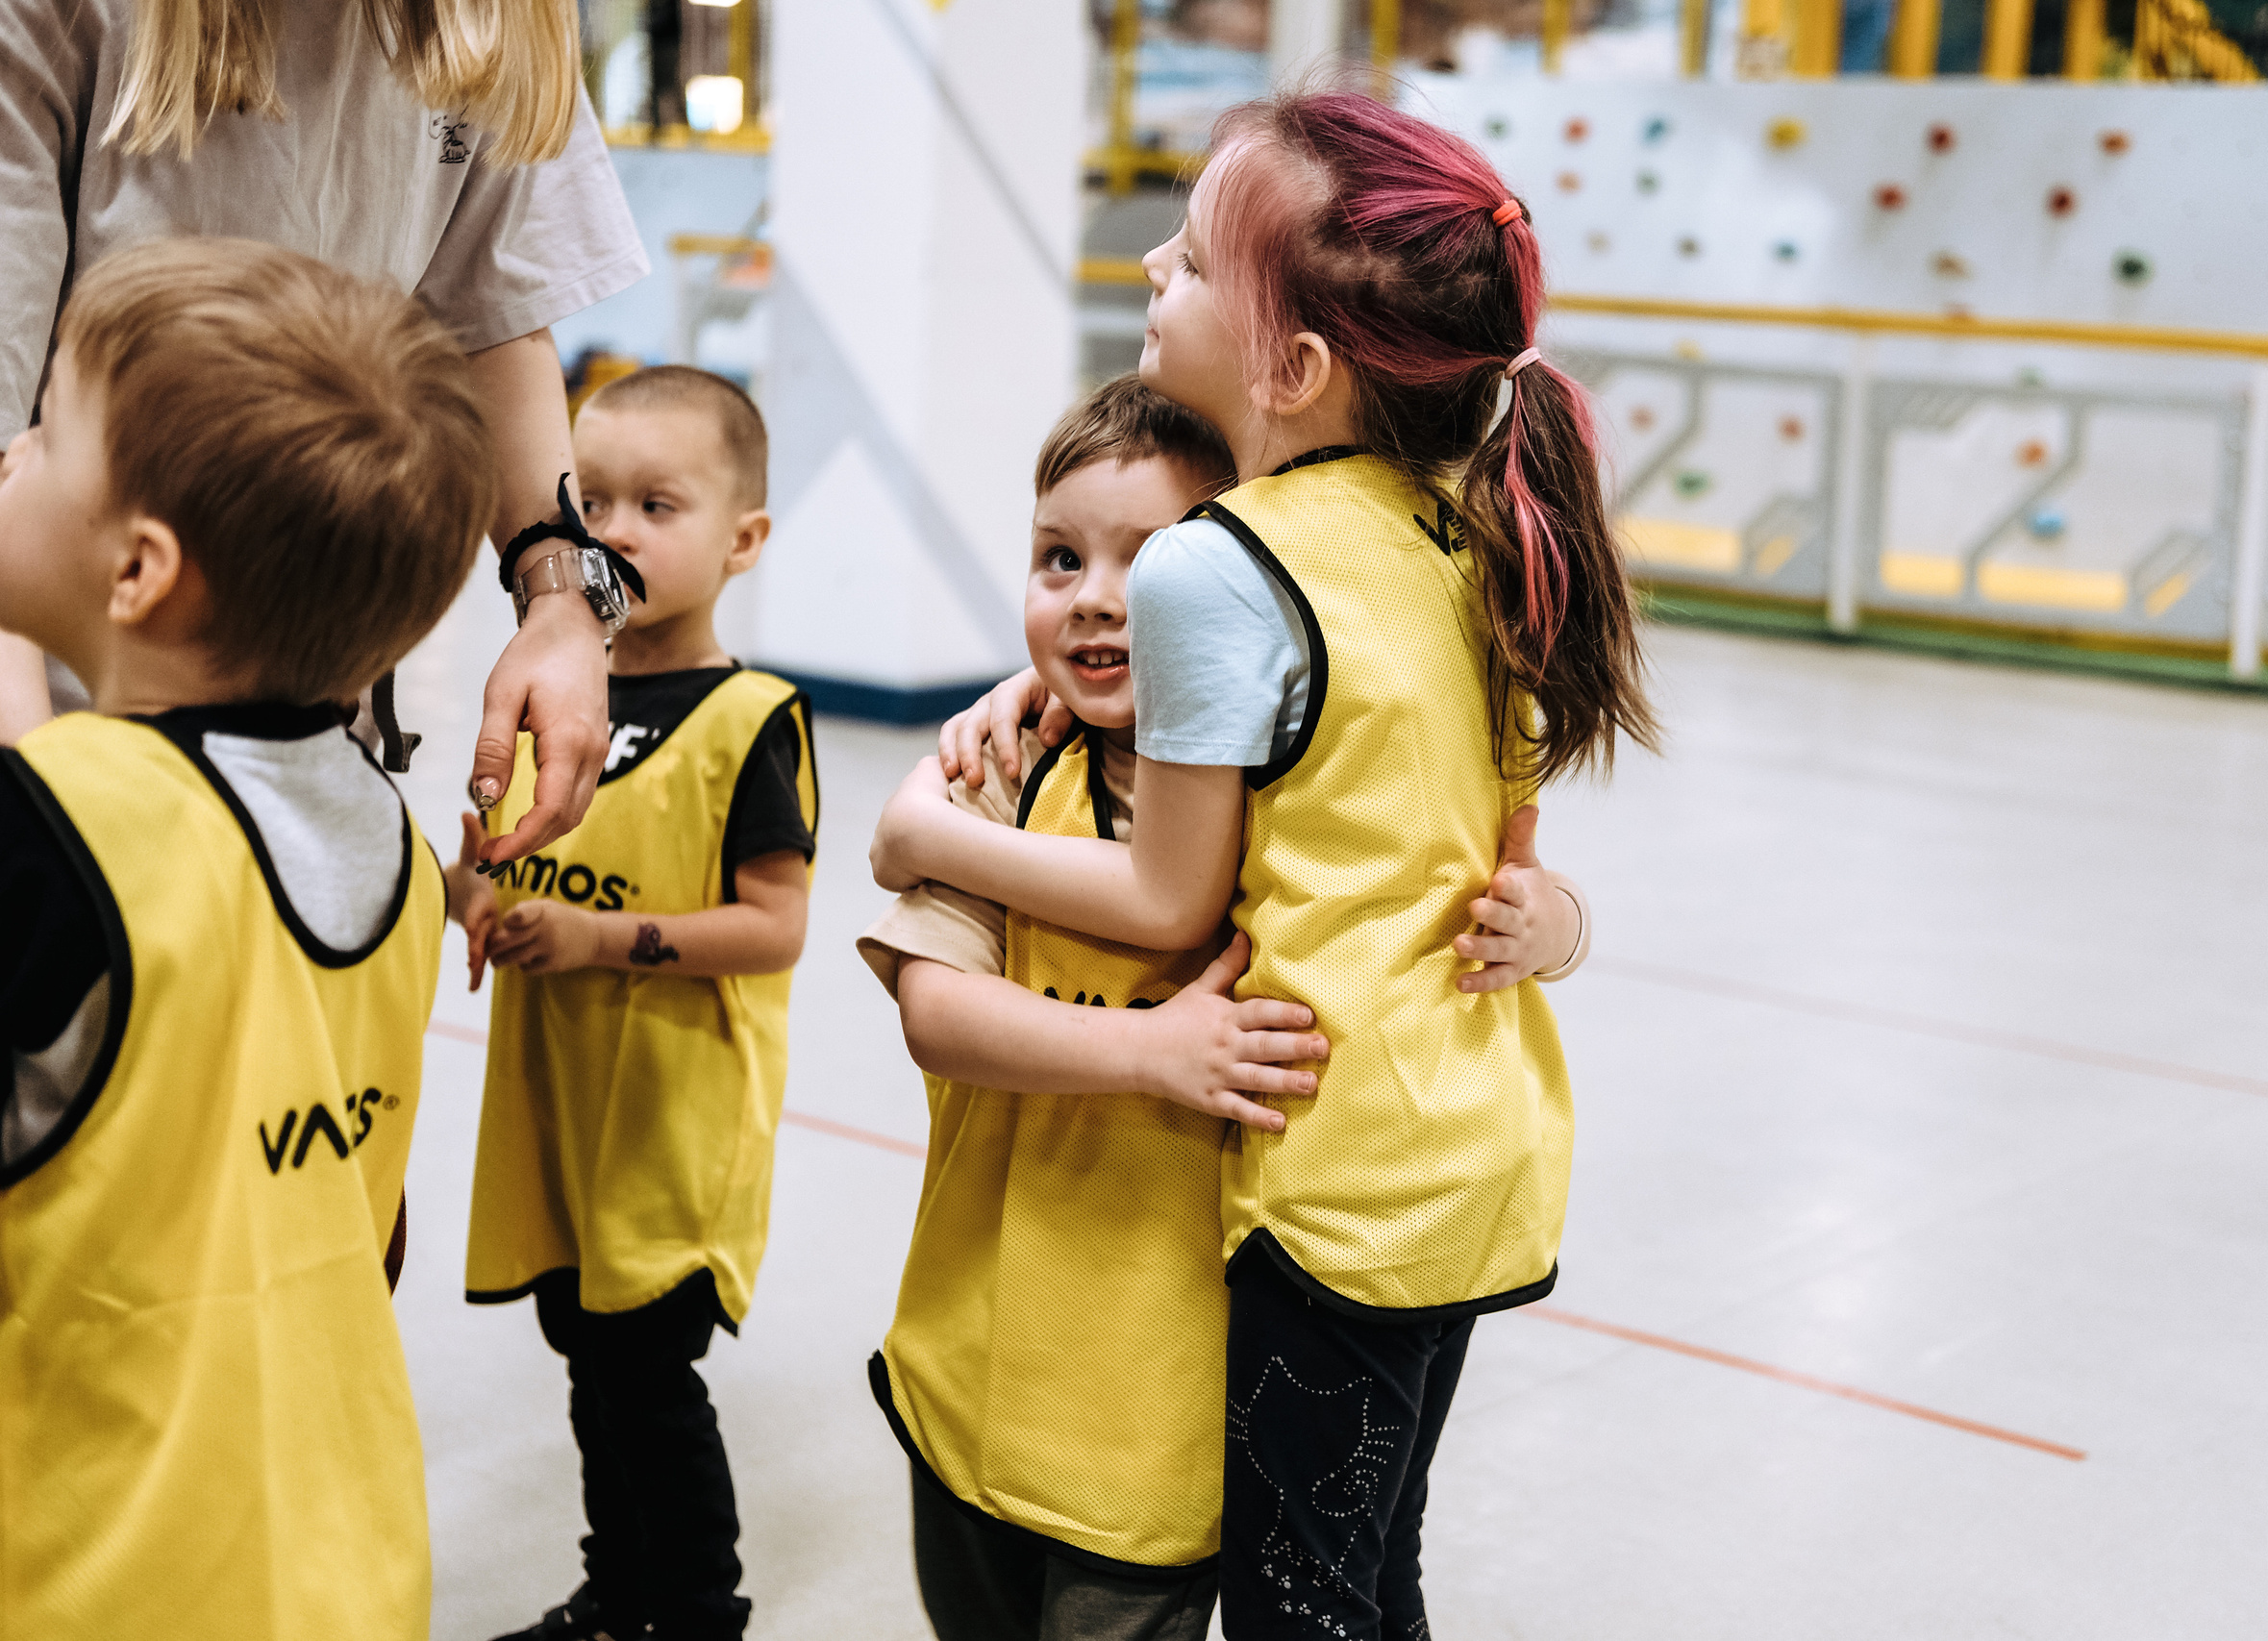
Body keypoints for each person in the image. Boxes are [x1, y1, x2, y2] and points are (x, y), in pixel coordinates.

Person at [871, 88, 1647, 1638]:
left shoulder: (1222, 562)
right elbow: (1512, 861)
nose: (1152, 268)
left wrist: (922, 836)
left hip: (1336, 1176)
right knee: (1368, 1587)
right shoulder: (1463, 519)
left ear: (1290, 366)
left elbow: (1166, 896)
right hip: (1480, 1144)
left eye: (1191, 259)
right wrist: (1560, 926)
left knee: (1305, 1611)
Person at [0, 238, 493, 1638]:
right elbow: (363, 1227)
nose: (11, 453)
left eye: (46, 431)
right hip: (340, 1560)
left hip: (89, 1569)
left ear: (139, 567)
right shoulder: (396, 852)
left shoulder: (54, 829)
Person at [859, 377, 1315, 1641]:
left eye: (1153, 562)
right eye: (1059, 556)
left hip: (1149, 1424)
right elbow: (936, 1012)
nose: (1097, 594)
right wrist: (1149, 1048)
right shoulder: (1006, 765)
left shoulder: (1283, 802)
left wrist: (1551, 916)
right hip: (967, 1363)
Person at [0, 0, 650, 868]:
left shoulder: (493, 20)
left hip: (303, 745)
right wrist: (43, 811)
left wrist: (564, 600)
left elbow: (490, 306)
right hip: (61, 713)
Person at [449, 365, 816, 1641]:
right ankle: (622, 1592)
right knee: (593, 1374)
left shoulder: (747, 717)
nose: (610, 530)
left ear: (742, 541)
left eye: (655, 503)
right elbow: (517, 865)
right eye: (588, 499)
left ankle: (697, 1607)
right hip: (561, 1124)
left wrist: (603, 936)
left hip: (670, 1128)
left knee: (650, 1383)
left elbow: (775, 927)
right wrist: (471, 889)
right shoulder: (556, 704)